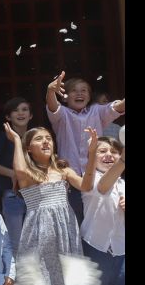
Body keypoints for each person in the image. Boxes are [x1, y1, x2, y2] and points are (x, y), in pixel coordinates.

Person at [3, 123, 97, 285]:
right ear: (29, 149)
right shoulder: (27, 173)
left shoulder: (63, 170)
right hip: (39, 237)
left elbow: (87, 185)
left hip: (66, 235)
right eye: (39, 139)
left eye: (48, 138)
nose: (46, 141)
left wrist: (91, 155)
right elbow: (19, 169)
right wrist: (16, 140)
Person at [45, 71, 124, 222]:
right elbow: (53, 107)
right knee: (75, 221)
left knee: (98, 220)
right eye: (74, 90)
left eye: (84, 90)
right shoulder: (62, 114)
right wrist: (50, 91)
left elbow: (116, 108)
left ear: (89, 96)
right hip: (70, 179)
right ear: (65, 96)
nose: (79, 93)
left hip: (97, 177)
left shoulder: (97, 111)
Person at [80, 137, 125, 285]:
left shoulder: (124, 184)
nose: (109, 155)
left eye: (114, 152)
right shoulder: (90, 179)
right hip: (95, 250)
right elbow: (103, 188)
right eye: (102, 151)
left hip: (121, 252)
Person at [0, 97, 33, 262]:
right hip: (12, 194)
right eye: (15, 110)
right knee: (16, 242)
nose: (20, 113)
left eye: (24, 109)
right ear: (8, 117)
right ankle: (16, 276)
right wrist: (12, 173)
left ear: (31, 115)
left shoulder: (35, 136)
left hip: (33, 193)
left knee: (35, 240)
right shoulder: (4, 137)